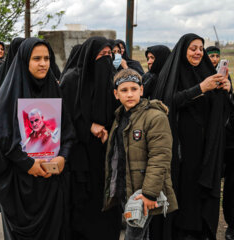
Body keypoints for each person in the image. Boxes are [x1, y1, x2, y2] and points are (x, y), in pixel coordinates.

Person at [0, 38, 75, 240]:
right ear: (25, 60)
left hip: (51, 184)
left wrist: (63, 157)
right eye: (37, 58)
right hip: (20, 186)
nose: (43, 63)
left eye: (47, 58)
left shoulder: (54, 90)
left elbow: (68, 133)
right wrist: (27, 163)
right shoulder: (8, 95)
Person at [153, 33, 232, 239]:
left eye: (200, 48)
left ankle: (200, 230)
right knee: (184, 188)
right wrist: (200, 88)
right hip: (181, 148)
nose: (198, 52)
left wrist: (226, 91)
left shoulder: (207, 71)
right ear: (183, 50)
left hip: (205, 146)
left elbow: (221, 110)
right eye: (193, 48)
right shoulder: (172, 73)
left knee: (200, 191)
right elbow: (167, 102)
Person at [102, 68, 178, 239]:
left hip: (143, 192)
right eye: (124, 90)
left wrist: (149, 193)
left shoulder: (155, 117)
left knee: (133, 236)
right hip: (125, 188)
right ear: (116, 94)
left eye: (134, 89)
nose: (129, 94)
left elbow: (160, 158)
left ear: (141, 90)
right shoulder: (120, 117)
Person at [60, 36, 119, 240]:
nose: (106, 59)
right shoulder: (72, 80)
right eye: (101, 55)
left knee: (107, 206)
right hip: (80, 156)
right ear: (89, 56)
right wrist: (88, 127)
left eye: (109, 55)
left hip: (106, 153)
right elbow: (63, 119)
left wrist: (110, 131)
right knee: (83, 209)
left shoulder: (113, 78)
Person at [206, 45, 234, 240]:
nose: (214, 59)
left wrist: (229, 91)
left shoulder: (226, 78)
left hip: (227, 139)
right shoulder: (201, 76)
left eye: (217, 56)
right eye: (211, 56)